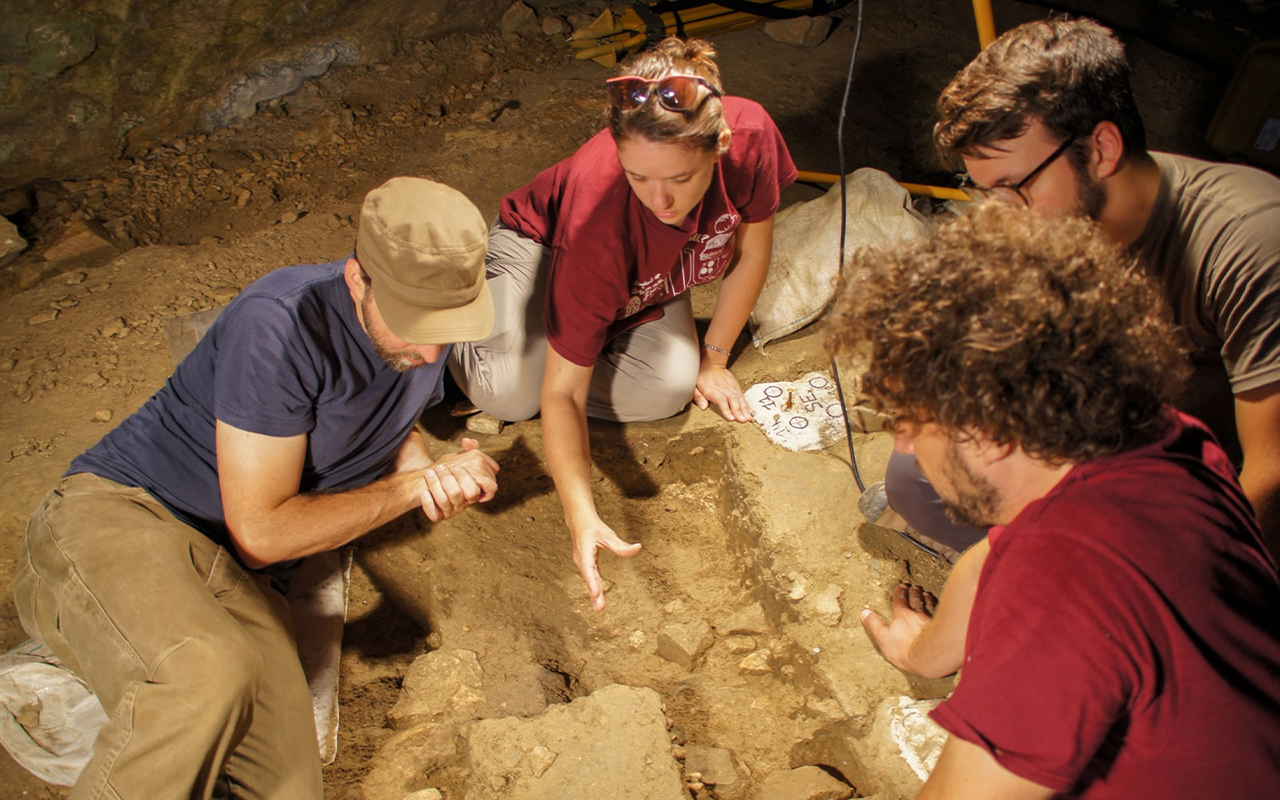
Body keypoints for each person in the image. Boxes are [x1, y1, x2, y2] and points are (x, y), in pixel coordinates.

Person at [11, 177, 501, 799]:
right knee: (206, 677)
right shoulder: (281, 322)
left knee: (286, 788)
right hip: (128, 514)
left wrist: (431, 473)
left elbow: (397, 429)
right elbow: (265, 532)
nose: (432, 350)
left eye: (446, 324)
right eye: (413, 323)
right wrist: (410, 492)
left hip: (240, 576)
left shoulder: (423, 338)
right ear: (358, 280)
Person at [833, 202, 1280, 799]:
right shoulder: (1163, 439)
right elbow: (994, 555)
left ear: (988, 432)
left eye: (912, 421)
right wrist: (923, 654)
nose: (906, 442)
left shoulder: (1061, 597)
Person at [875, 17, 1280, 561]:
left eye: (1014, 187)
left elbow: (1270, 473)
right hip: (1104, 432)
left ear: (1101, 149)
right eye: (984, 190)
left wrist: (1173, 588)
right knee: (915, 474)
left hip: (1195, 477)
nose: (1002, 213)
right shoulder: (1046, 218)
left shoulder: (1250, 239)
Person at [449, 37, 796, 611]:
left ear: (720, 146)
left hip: (647, 280)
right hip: (540, 249)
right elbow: (561, 394)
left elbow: (752, 253)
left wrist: (713, 359)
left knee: (669, 387)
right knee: (509, 392)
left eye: (680, 179)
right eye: (638, 177)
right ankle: (481, 311)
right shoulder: (598, 215)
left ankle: (582, 333)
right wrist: (582, 515)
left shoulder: (752, 135)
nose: (661, 199)